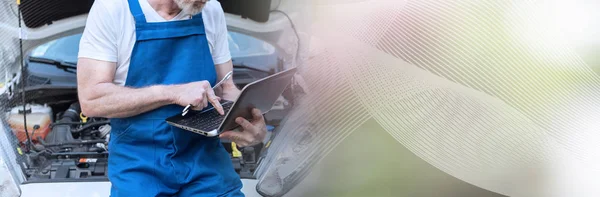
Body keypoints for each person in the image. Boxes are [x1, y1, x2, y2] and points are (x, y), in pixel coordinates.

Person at [76, 0, 267, 196]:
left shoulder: (211, 9)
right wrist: (171, 93)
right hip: (139, 169)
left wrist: (249, 119)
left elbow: (226, 89)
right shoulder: (113, 8)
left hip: (206, 166)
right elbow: (92, 100)